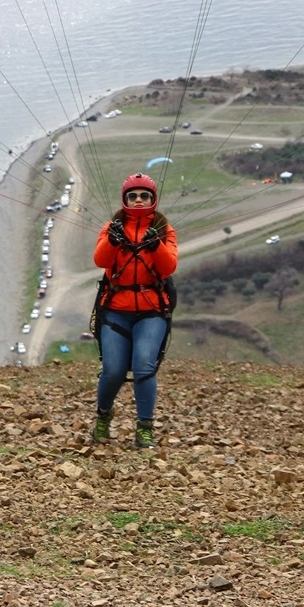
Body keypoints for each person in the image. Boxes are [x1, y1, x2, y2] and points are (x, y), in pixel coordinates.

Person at [91, 172, 178, 449]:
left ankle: (145, 429)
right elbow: (100, 259)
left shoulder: (164, 229)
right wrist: (113, 241)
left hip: (151, 312)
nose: (138, 201)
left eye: (144, 196)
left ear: (153, 199)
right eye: (133, 196)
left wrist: (157, 246)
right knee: (113, 370)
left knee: (144, 366)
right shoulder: (111, 227)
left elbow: (169, 267)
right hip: (115, 311)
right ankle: (103, 416)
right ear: (125, 199)